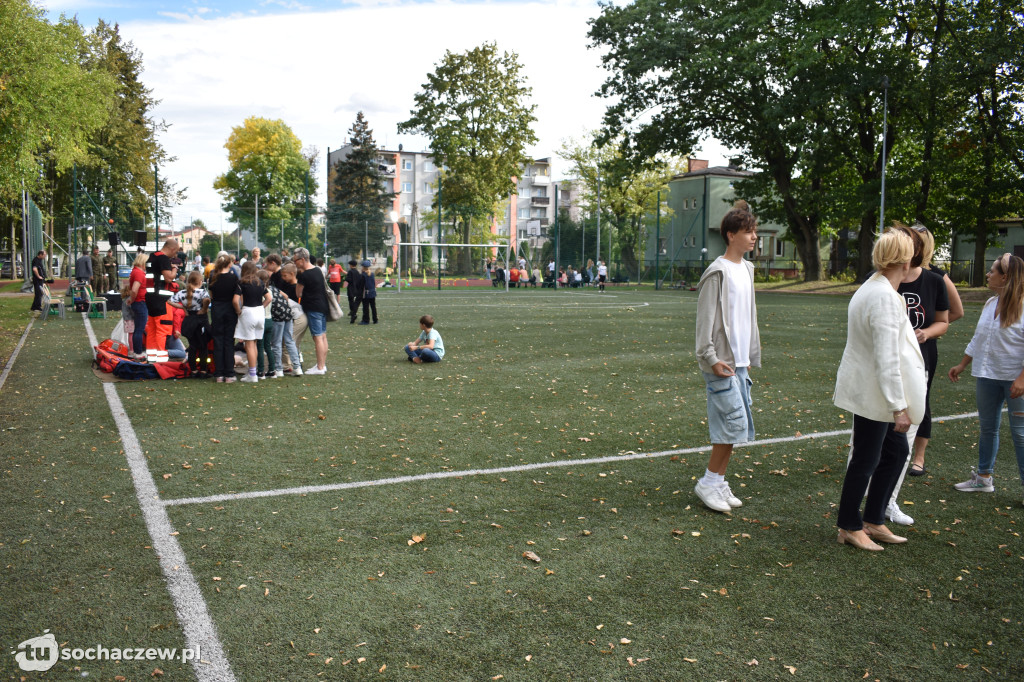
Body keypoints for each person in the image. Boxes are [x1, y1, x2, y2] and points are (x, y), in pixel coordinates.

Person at [834, 228, 926, 551]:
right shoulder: (884, 296)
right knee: (866, 459)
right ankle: (849, 525)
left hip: (871, 392)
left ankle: (873, 519)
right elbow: (886, 359)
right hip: (876, 395)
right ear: (905, 260)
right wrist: (898, 407)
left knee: (896, 452)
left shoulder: (872, 288)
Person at [693, 208, 762, 514]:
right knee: (731, 425)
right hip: (720, 362)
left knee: (735, 426)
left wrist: (749, 355)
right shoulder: (716, 272)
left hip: (740, 362)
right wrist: (710, 358)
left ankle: (718, 480)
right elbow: (704, 321)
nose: (754, 237)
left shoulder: (747, 269)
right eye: (748, 232)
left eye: (755, 231)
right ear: (731, 235)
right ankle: (708, 482)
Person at [882, 223, 950, 527]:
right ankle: (868, 502)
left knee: (904, 437)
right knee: (871, 440)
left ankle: (888, 502)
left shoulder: (934, 281)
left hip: (918, 364)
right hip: (885, 366)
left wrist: (925, 334)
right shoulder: (883, 284)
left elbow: (944, 321)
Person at [948, 253, 1024, 497]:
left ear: (1006, 277)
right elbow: (980, 338)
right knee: (988, 428)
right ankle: (983, 478)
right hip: (987, 376)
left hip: (1016, 381)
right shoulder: (991, 303)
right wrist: (962, 364)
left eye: (993, 271)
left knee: (1020, 434)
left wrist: (1022, 379)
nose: (988, 275)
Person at [904, 224, 964, 480]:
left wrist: (928, 331)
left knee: (920, 401)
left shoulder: (936, 277)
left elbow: (954, 313)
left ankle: (919, 457)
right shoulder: (890, 275)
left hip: (923, 351)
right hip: (895, 350)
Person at [293, 247, 329, 374]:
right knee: (323, 336)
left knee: (317, 337)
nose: (295, 263)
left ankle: (319, 367)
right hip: (322, 306)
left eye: (295, 260)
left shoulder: (304, 275)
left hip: (313, 308)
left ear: (302, 259)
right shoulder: (318, 270)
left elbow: (298, 293)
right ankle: (322, 365)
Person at [233, 262, 270, 383]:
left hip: (248, 312)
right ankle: (252, 372)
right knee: (254, 343)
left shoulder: (241, 283)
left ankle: (252, 374)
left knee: (249, 344)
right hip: (260, 312)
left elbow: (235, 301)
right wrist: (262, 307)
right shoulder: (260, 282)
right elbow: (269, 297)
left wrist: (239, 311)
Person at [169, 270, 210, 377]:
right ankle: (203, 370)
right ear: (200, 281)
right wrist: (204, 309)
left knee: (192, 346)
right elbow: (207, 300)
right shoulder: (202, 292)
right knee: (203, 346)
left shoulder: (182, 293)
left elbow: (169, 301)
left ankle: (193, 370)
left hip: (189, 320)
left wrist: (183, 307)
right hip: (200, 320)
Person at [208, 254, 239, 383]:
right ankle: (229, 374)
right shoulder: (233, 278)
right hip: (230, 310)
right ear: (230, 264)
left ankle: (219, 374)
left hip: (216, 310)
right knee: (229, 341)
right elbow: (235, 297)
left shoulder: (213, 277)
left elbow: (211, 295)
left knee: (218, 341)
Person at [145, 239, 180, 355]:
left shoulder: (152, 256)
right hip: (162, 301)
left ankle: (151, 357)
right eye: (175, 252)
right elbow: (168, 278)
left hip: (150, 298)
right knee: (162, 330)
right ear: (172, 249)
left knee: (152, 330)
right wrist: (174, 269)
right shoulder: (163, 258)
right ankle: (161, 361)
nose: (175, 255)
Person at [267, 266, 299, 379]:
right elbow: (286, 297)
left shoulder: (266, 290)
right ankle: (297, 367)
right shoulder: (275, 289)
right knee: (289, 340)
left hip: (278, 317)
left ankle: (279, 369)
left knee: (276, 343)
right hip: (287, 315)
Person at [126, 252, 149, 358]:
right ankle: (138, 352)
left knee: (137, 329)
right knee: (139, 329)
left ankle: (136, 351)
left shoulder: (135, 271)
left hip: (138, 302)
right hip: (140, 302)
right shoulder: (139, 273)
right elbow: (135, 290)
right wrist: (132, 298)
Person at [255, 269, 276, 379]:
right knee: (268, 346)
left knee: (260, 346)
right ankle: (272, 369)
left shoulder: (261, 291)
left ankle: (261, 370)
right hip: (269, 319)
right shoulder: (269, 291)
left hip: (262, 319)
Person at [359, 260, 378, 324]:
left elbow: (361, 285)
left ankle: (366, 320)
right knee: (373, 307)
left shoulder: (363, 275)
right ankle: (375, 320)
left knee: (365, 307)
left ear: (363, 267)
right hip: (372, 292)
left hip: (366, 293)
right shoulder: (372, 274)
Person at [345, 259, 361, 323]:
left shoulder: (350, 271)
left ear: (351, 265)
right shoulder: (357, 272)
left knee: (351, 300)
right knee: (355, 301)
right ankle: (353, 312)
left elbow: (348, 279)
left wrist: (345, 278)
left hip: (351, 288)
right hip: (356, 288)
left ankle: (352, 312)